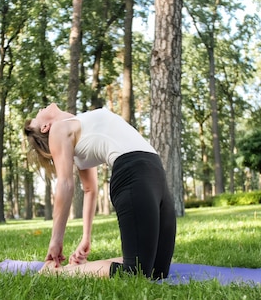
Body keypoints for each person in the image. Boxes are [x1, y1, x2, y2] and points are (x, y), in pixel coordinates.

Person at [24, 103, 176, 279]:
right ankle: (56, 274)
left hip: (156, 173)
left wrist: (85, 238)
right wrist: (56, 241)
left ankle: (83, 269)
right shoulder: (59, 128)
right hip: (133, 174)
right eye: (36, 116)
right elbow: (65, 184)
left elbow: (90, 190)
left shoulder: (80, 126)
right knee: (136, 273)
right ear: (45, 127)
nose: (40, 110)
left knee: (158, 270)